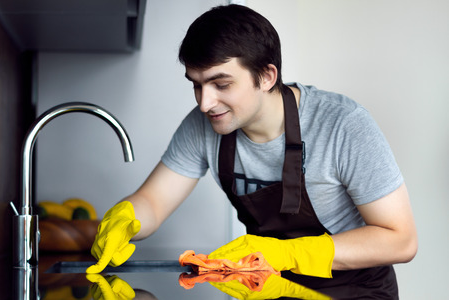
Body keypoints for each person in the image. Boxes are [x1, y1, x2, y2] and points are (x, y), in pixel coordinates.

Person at [86, 4, 417, 292]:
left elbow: (400, 239)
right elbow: (153, 202)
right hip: (268, 290)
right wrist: (126, 218)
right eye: (196, 85)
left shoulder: (344, 125)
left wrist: (288, 255)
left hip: (353, 291)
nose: (205, 103)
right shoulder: (204, 125)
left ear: (267, 76)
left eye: (222, 84)